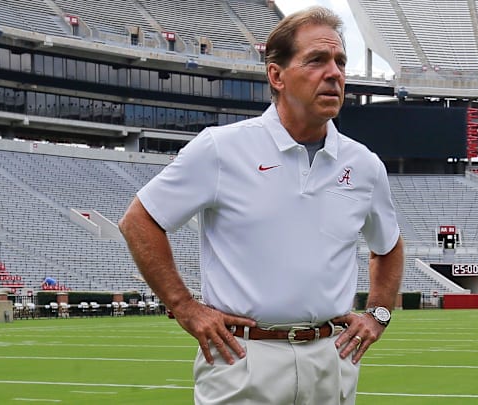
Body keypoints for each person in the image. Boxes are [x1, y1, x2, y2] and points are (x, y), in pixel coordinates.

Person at [119, 6, 404, 404]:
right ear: (277, 75)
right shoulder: (221, 148)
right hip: (243, 357)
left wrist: (378, 315)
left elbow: (388, 246)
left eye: (340, 61)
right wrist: (185, 306)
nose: (335, 73)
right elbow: (140, 220)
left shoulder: (364, 165)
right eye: (317, 60)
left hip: (330, 357)